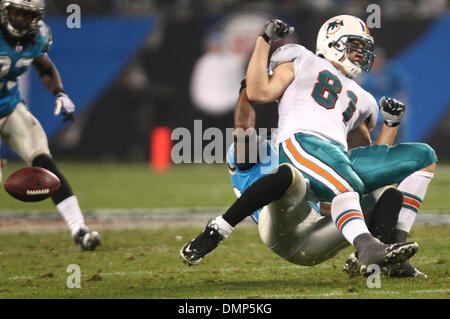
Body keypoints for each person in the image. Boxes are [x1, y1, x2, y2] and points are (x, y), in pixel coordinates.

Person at [181, 16, 437, 276]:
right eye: (356, 47)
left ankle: (386, 257)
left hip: (323, 222)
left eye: (363, 49)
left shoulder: (360, 98)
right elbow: (251, 109)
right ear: (334, 44)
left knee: (397, 183)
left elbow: (367, 155)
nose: (362, 55)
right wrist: (261, 48)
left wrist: (390, 125)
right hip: (282, 228)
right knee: (289, 176)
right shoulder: (301, 63)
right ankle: (218, 229)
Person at [0, 0, 100, 250]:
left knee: (45, 165)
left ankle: (80, 229)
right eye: (16, 12)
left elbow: (44, 67)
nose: (20, 19)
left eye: (26, 14)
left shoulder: (38, 38)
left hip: (9, 107)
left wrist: (60, 93)